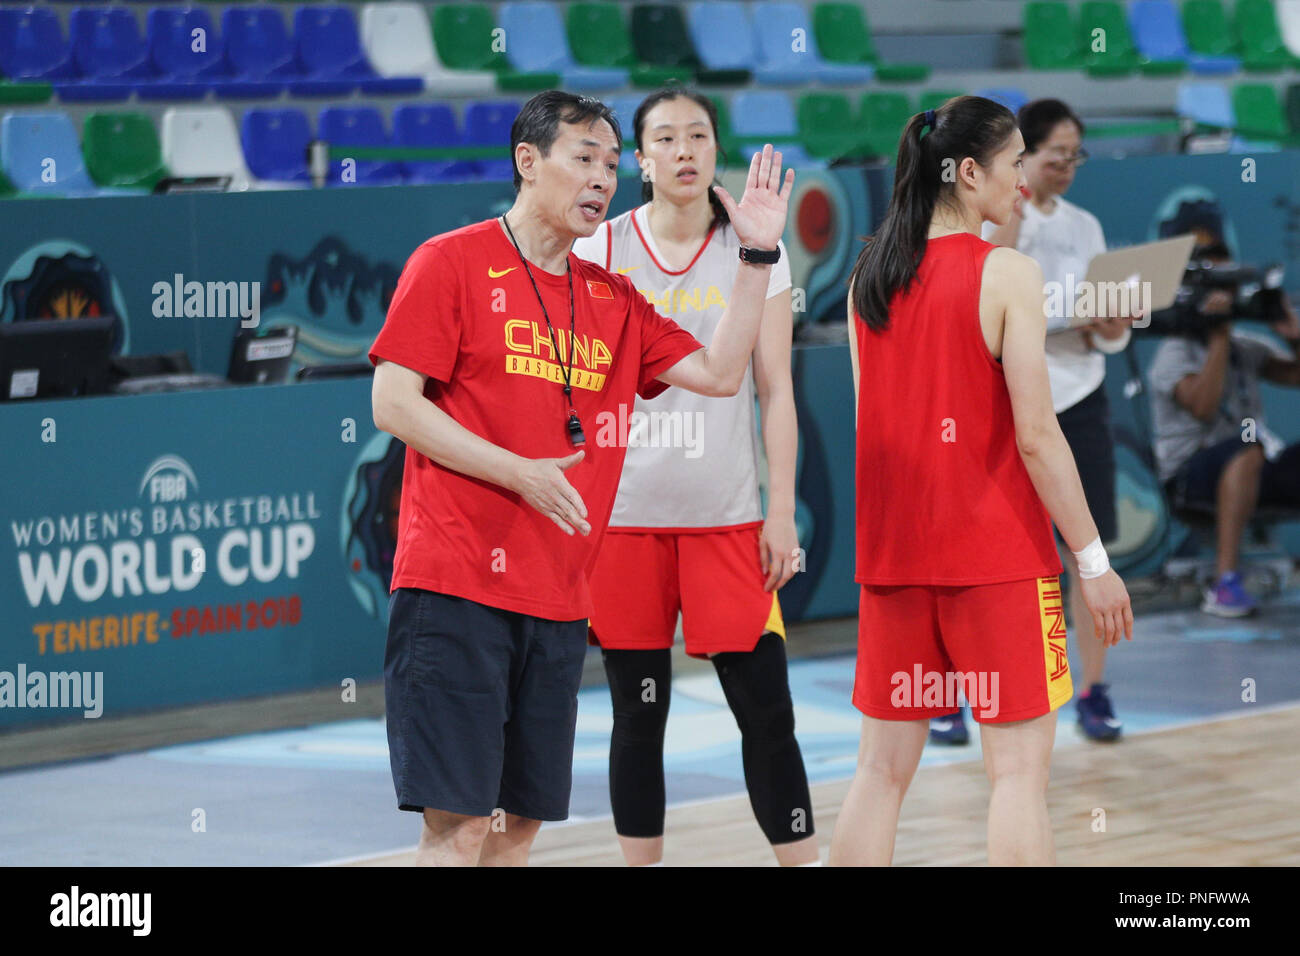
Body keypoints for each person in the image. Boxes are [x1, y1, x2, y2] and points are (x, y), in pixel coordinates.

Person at [367, 90, 794, 867]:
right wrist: (517, 473)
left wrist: (757, 257)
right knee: (458, 823)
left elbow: (725, 373)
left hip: (559, 593)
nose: (600, 178)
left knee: (516, 824)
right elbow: (393, 403)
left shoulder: (613, 299)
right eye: (582, 159)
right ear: (528, 163)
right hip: (457, 584)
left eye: (607, 163)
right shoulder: (451, 260)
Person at [829, 96, 1133, 867]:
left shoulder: (869, 274)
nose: (1024, 183)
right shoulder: (1008, 272)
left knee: (878, 774)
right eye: (1012, 165)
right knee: (1018, 778)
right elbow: (1037, 434)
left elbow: (875, 433)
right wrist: (1092, 562)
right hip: (998, 564)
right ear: (967, 173)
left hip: (894, 565)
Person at [572, 88, 818, 867]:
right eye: (666, 139)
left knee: (767, 713)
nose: (685, 151)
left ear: (717, 150)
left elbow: (776, 391)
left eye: (699, 136)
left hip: (728, 520)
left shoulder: (757, 251)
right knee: (636, 716)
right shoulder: (597, 252)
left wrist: (781, 510)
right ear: (639, 160)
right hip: (626, 525)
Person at [964, 98, 1137, 744]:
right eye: (1051, 156)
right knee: (990, 560)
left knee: (1090, 552)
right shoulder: (995, 221)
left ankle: (1093, 690)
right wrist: (1018, 201)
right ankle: (959, 692)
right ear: (1019, 158)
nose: (1066, 167)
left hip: (1080, 396)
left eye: (1074, 156)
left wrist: (1113, 322)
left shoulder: (1086, 225)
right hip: (1011, 401)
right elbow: (998, 292)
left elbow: (1099, 332)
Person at [1148, 240, 1300, 616]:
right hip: (1189, 476)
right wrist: (1217, 338)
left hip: (1252, 465)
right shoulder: (1174, 352)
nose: (1224, 296)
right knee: (1245, 447)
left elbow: (1294, 375)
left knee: (1251, 450)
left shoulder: (1246, 345)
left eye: (1229, 286)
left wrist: (1293, 337)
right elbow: (1202, 407)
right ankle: (1224, 583)